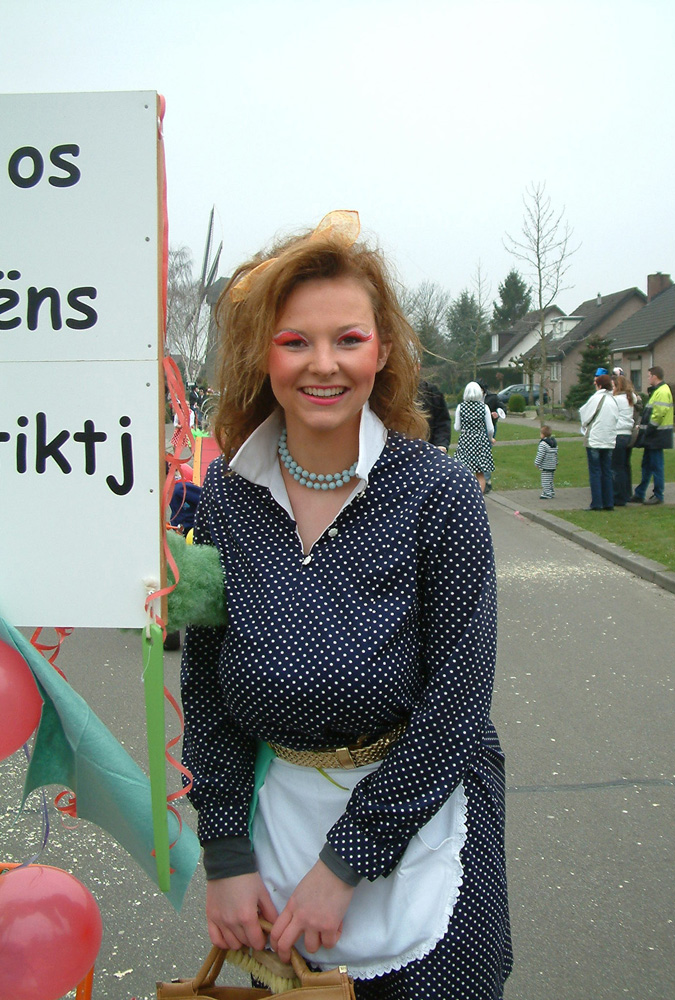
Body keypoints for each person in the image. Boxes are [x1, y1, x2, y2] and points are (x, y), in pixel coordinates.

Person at [180, 211, 512, 999]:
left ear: (383, 350)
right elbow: (206, 687)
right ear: (263, 353)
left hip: (422, 819)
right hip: (276, 831)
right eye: (295, 340)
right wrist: (225, 853)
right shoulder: (225, 497)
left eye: (348, 339)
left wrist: (346, 863)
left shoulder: (439, 495)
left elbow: (457, 704)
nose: (322, 364)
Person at [630, 366, 674, 505]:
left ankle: (658, 494)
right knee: (647, 465)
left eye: (649, 376)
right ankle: (640, 493)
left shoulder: (662, 391)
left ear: (655, 376)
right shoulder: (658, 391)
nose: (648, 378)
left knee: (656, 465)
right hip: (654, 434)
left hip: (657, 434)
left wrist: (649, 428)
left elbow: (658, 414)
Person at [579, 372, 618, 510]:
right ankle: (609, 502)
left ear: (600, 385)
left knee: (595, 471)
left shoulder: (596, 398)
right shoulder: (613, 400)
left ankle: (597, 503)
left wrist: (585, 426)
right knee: (607, 471)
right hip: (609, 440)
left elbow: (585, 415)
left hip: (595, 439)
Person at [453, 381, 496, 495]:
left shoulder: (460, 407)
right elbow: (490, 429)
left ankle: (466, 496)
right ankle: (479, 497)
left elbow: (457, 427)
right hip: (480, 441)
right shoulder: (484, 407)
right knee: (480, 472)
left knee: (464, 470)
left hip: (466, 440)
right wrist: (490, 438)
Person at [611, 374, 637, 506]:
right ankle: (627, 493)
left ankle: (618, 496)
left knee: (616, 467)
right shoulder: (630, 398)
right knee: (625, 465)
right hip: (628, 434)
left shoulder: (616, 400)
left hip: (618, 433)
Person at [417, 377, 451, 452]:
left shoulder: (431, 392)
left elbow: (442, 421)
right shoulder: (393, 392)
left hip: (429, 449)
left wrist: (441, 444)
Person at [534, 424, 558, 499]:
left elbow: (540, 454)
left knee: (545, 480)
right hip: (552, 465)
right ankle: (551, 491)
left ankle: (547, 493)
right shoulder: (554, 443)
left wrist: (537, 463)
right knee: (550, 480)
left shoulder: (543, 444)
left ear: (542, 434)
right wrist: (556, 462)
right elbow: (556, 454)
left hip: (546, 465)